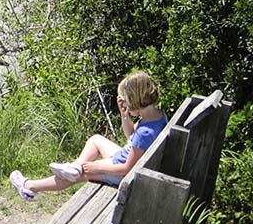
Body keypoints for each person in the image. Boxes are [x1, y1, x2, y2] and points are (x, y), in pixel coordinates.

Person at [9, 70, 167, 200]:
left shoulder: (145, 133)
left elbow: (127, 169)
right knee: (96, 140)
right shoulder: (156, 117)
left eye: (126, 101)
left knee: (82, 174)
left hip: (123, 173)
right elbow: (131, 137)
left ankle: (29, 187)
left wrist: (94, 166)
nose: (124, 104)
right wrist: (124, 115)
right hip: (126, 160)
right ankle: (75, 167)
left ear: (135, 100)